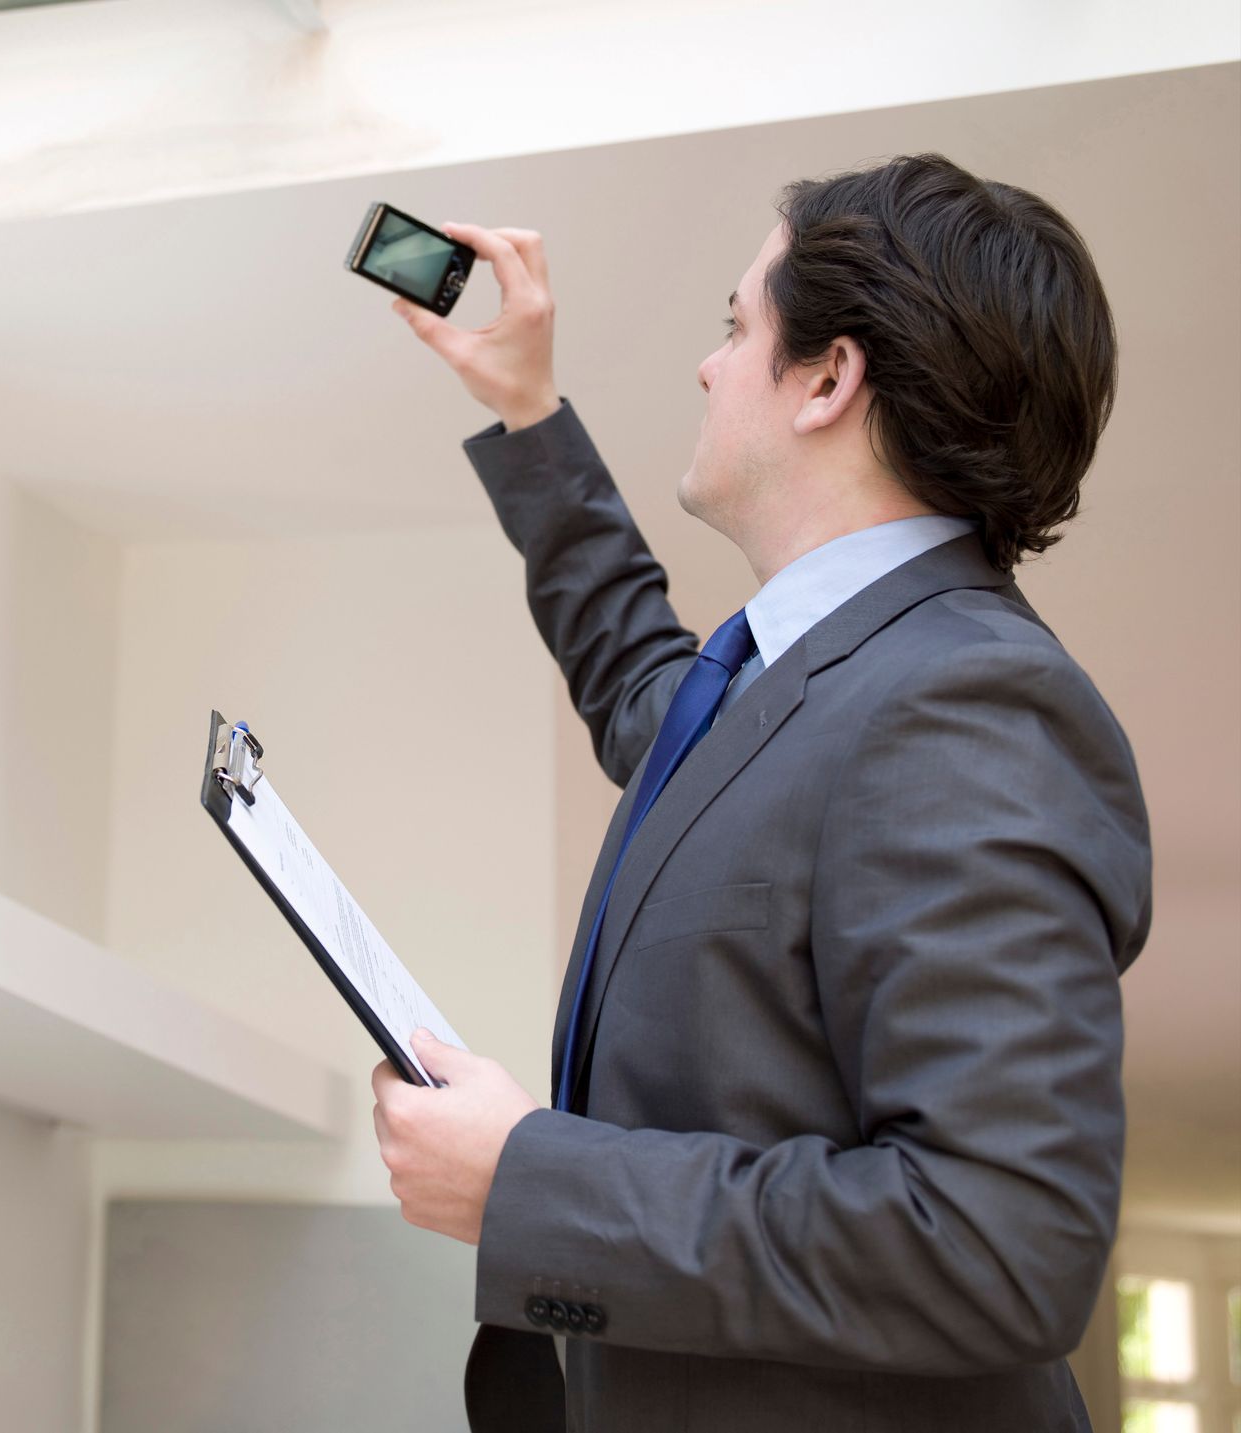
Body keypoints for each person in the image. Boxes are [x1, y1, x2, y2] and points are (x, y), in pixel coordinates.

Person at [366, 153, 1152, 1431]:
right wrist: (527, 409)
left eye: (736, 327)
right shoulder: (800, 679)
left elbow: (997, 1243)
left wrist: (529, 1179)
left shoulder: (972, 703)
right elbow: (643, 689)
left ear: (830, 379)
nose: (709, 363)